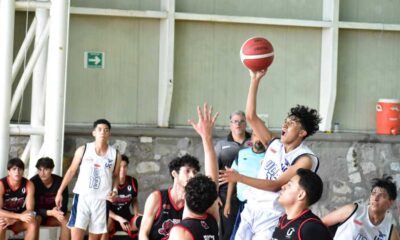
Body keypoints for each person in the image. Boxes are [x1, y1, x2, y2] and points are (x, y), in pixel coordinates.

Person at [219, 69, 321, 239]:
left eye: (292, 123)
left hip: (272, 215)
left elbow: (276, 185)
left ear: (302, 132)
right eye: (286, 121)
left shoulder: (305, 159)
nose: (285, 125)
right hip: (251, 208)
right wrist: (254, 79)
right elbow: (251, 116)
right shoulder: (274, 144)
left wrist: (240, 178)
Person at [55, 118, 122, 240]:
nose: (102, 132)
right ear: (94, 133)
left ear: (109, 134)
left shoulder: (115, 154)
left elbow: (116, 175)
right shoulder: (83, 150)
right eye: (100, 129)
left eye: (106, 130)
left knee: (94, 238)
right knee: (76, 236)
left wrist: (115, 190)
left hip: (102, 200)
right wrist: (59, 192)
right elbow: (71, 171)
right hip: (82, 198)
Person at [169, 103, 219, 240]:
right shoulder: (212, 221)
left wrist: (206, 137)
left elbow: (213, 182)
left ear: (185, 196)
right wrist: (207, 137)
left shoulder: (181, 232)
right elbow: (213, 180)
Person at [139, 155, 200, 239]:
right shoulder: (156, 198)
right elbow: (143, 234)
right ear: (174, 174)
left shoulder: (194, 202)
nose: (192, 176)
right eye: (187, 171)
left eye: (195, 172)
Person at [322, 175, 400, 240]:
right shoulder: (353, 211)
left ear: (390, 203)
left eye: (381, 195)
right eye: (373, 193)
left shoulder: (390, 232)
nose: (375, 198)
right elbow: (319, 223)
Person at [214, 110, 252, 240]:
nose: (238, 124)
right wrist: (214, 194)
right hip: (225, 195)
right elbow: (212, 170)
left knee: (247, 231)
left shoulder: (254, 142)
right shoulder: (221, 145)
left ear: (245, 124)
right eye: (235, 121)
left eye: (242, 121)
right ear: (230, 124)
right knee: (228, 232)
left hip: (249, 192)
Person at [223, 132, 266, 240]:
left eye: (261, 136)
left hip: (259, 206)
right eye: (256, 135)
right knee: (234, 234)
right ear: (251, 137)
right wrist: (227, 202)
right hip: (240, 203)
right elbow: (232, 179)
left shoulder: (270, 157)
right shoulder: (242, 154)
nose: (258, 139)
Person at [271, 168, 332, 240]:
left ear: (301, 195)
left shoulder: (310, 227)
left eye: (289, 185)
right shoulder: (284, 219)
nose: (283, 187)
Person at [101, 154, 141, 240]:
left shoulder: (133, 181)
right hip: (112, 218)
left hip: (126, 217)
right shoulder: (108, 182)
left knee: (142, 221)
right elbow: (104, 207)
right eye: (120, 167)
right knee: (106, 223)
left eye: (125, 166)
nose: (122, 170)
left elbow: (134, 200)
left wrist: (136, 213)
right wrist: (119, 219)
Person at [30, 157, 70, 240]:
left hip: (54, 216)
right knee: (35, 220)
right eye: (40, 170)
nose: (42, 173)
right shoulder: (33, 182)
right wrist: (49, 212)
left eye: (45, 169)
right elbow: (31, 209)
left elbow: (64, 207)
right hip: (39, 215)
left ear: (51, 170)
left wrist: (58, 210)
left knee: (66, 220)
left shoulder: (60, 182)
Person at [0, 158, 39, 240]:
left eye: (20, 169)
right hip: (4, 218)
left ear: (23, 171)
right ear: (9, 171)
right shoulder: (2, 184)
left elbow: (30, 209)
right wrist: (17, 216)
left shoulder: (29, 184)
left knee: (33, 223)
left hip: (19, 219)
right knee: (0, 224)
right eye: (14, 169)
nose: (17, 172)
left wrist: (15, 219)